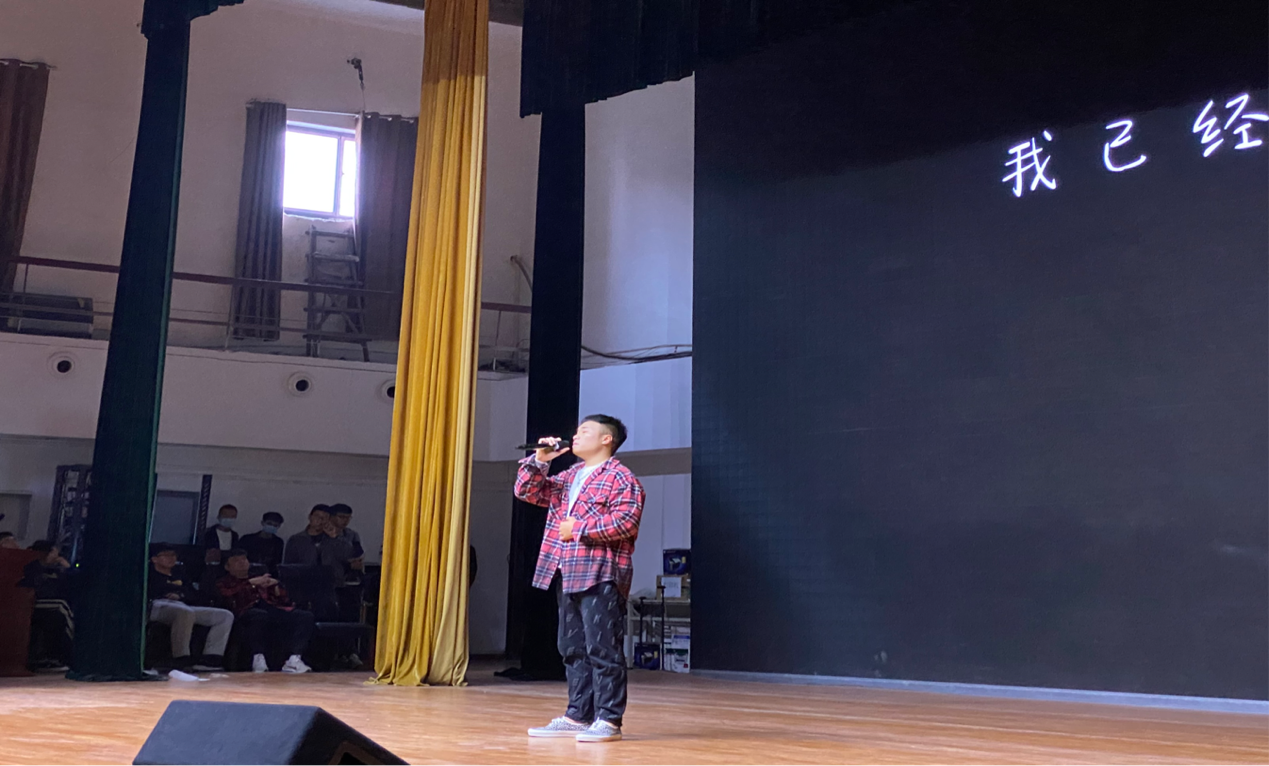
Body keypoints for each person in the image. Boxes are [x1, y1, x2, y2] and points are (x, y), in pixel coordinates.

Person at [517, 415, 645, 744]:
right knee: (571, 648)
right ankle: (577, 715)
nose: (575, 436)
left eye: (584, 431)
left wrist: (579, 529)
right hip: (566, 569)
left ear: (606, 439)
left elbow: (626, 521)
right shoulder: (571, 475)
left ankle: (608, 719)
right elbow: (527, 491)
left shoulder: (620, 477)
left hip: (600, 571)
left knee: (603, 648)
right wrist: (540, 460)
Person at [215, 550, 313, 674]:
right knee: (259, 615)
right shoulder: (224, 582)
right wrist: (250, 584)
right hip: (245, 611)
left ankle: (294, 659)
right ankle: (258, 659)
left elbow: (283, 600)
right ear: (227, 567)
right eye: (236, 560)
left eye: (244, 559)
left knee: (304, 616)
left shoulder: (259, 577)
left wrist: (275, 586)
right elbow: (227, 596)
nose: (242, 562)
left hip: (271, 609)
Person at [148, 544, 235, 671]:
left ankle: (211, 657)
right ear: (154, 559)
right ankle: (181, 657)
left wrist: (181, 595)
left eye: (173, 555)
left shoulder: (179, 573)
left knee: (224, 616)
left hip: (183, 605)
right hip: (157, 605)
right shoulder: (149, 573)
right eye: (166, 555)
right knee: (185, 612)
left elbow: (193, 593)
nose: (171, 558)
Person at [19, 540, 74, 670]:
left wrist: (68, 569)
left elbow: (71, 585)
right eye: (54, 552)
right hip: (33, 601)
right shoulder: (32, 568)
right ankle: (69, 654)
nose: (57, 555)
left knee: (62, 609)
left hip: (51, 602)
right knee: (62, 607)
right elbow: (35, 588)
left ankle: (57, 656)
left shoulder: (56, 570)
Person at [328, 503, 365, 582]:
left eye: (348, 517)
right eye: (341, 517)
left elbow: (358, 552)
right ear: (331, 517)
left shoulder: (352, 534)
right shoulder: (323, 534)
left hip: (348, 574)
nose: (345, 520)